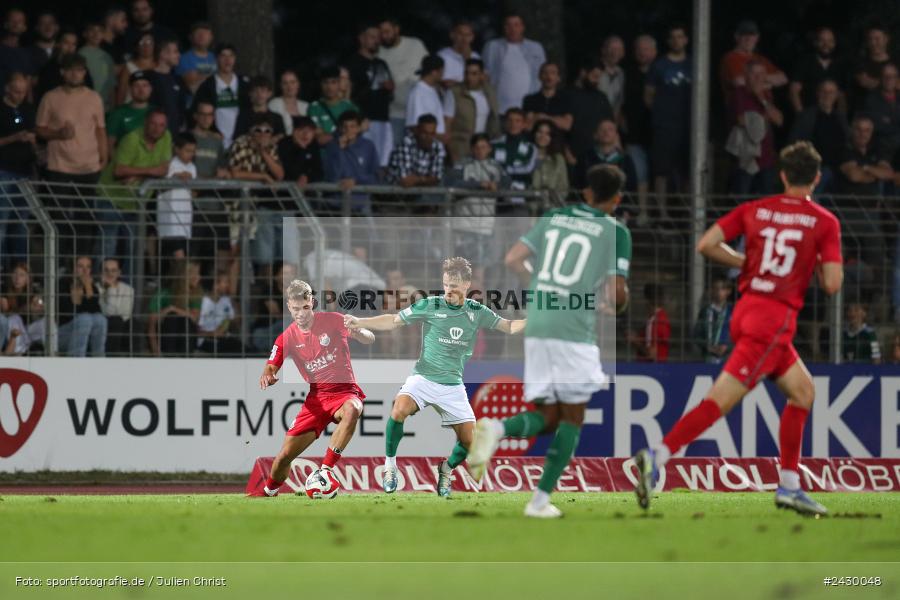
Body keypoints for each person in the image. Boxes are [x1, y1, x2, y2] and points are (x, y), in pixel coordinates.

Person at [633, 141, 843, 516]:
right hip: (773, 321)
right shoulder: (825, 222)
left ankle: (790, 486)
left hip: (746, 310)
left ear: (781, 175)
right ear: (816, 178)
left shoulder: (755, 209)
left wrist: (749, 263)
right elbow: (831, 283)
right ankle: (656, 456)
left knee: (803, 392)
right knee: (721, 400)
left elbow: (707, 244)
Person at [467, 164, 632, 517]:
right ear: (616, 199)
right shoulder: (615, 231)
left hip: (538, 321)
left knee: (550, 415)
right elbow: (617, 293)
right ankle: (539, 502)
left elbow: (513, 259)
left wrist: (541, 288)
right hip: (573, 329)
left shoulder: (554, 217)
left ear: (586, 191)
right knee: (572, 416)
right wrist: (611, 304)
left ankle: (497, 429)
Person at [344, 257, 526, 497]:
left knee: (471, 443)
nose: (449, 289)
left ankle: (446, 468)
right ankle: (389, 467)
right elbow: (394, 321)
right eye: (447, 284)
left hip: (453, 386)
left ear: (467, 284)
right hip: (424, 378)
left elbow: (510, 326)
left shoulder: (476, 311)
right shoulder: (429, 305)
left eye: (455, 285)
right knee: (399, 409)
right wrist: (361, 320)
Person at [258, 279, 375, 497]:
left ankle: (326, 470)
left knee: (354, 409)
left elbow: (370, 338)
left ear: (312, 302)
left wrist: (358, 332)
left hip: (344, 392)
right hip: (317, 401)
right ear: (288, 307)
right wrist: (269, 375)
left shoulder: (333, 320)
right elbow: (271, 366)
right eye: (295, 309)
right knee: (284, 457)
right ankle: (268, 492)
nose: (301, 313)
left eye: (305, 307)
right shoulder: (287, 338)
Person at [99, 109, 171, 276]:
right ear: (145, 123)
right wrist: (151, 171)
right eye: (153, 123)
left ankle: (129, 292)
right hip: (111, 198)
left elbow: (163, 170)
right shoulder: (131, 139)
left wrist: (138, 175)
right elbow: (118, 171)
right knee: (108, 246)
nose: (157, 129)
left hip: (135, 203)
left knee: (133, 248)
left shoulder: (166, 137)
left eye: (161, 125)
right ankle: (100, 290)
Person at [443, 133, 510, 280]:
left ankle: (477, 298)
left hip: (486, 224)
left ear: (489, 148)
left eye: (484, 147)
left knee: (481, 266)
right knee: (461, 266)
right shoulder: (462, 164)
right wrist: (479, 185)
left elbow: (506, 184)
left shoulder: (496, 167)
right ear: (472, 149)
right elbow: (452, 183)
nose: (480, 151)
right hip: (464, 223)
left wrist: (496, 186)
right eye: (477, 147)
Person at [36, 53, 107, 185]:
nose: (75, 74)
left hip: (89, 167)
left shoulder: (94, 98)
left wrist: (104, 157)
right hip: (59, 168)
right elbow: (39, 129)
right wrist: (58, 134)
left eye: (79, 70)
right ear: (62, 71)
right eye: (70, 70)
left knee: (85, 206)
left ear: (84, 72)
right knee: (57, 206)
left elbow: (100, 130)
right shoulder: (50, 97)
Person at [647, 24, 692, 221]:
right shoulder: (659, 65)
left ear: (686, 40)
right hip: (665, 126)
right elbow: (648, 95)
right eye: (673, 37)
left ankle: (688, 212)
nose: (677, 40)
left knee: (688, 170)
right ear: (668, 41)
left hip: (690, 126)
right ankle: (662, 213)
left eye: (680, 36)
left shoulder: (693, 64)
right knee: (661, 170)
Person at [727, 60, 783, 196]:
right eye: (754, 73)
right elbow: (741, 120)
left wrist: (761, 98)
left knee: (766, 199)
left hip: (766, 156)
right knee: (741, 198)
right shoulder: (738, 94)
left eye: (762, 74)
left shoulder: (767, 95)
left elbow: (779, 120)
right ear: (746, 75)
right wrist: (763, 118)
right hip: (746, 157)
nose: (758, 77)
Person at [0, 73, 37, 271]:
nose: (20, 95)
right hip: (3, 172)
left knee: (21, 224)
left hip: (25, 173)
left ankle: (21, 274)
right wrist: (14, 138)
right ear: (7, 88)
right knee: (2, 224)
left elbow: (33, 137)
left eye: (23, 92)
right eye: (16, 91)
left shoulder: (27, 109)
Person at [788, 79, 848, 193]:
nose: (827, 95)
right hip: (814, 170)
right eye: (824, 91)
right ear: (818, 93)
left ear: (836, 95)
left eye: (831, 92)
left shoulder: (841, 118)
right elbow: (794, 143)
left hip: (838, 170)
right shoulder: (806, 116)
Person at [347, 24, 394, 167]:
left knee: (383, 162)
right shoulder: (353, 62)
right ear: (362, 39)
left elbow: (390, 88)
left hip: (383, 119)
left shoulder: (381, 63)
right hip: (364, 119)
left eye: (378, 38)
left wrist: (390, 87)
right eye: (372, 37)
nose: (377, 41)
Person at [377, 17, 428, 145]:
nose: (384, 36)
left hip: (419, 113)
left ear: (396, 29)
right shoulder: (378, 53)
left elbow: (429, 70)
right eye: (381, 33)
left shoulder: (415, 45)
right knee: (396, 149)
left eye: (387, 31)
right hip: (395, 113)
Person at [623, 35, 656, 224]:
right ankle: (642, 213)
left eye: (646, 49)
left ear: (654, 51)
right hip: (634, 134)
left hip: (659, 133)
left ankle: (660, 215)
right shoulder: (628, 74)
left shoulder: (660, 72)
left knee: (660, 174)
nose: (642, 53)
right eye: (639, 49)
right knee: (640, 174)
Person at [482, 13, 546, 114]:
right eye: (508, 25)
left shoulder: (536, 48)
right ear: (504, 27)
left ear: (522, 27)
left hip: (528, 110)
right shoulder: (492, 47)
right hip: (499, 108)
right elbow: (485, 75)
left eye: (516, 25)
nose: (512, 29)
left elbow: (543, 76)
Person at [192, 43, 250, 148]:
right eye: (223, 56)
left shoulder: (245, 84)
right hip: (215, 139)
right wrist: (212, 131)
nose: (227, 60)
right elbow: (197, 112)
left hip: (241, 140)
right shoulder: (208, 85)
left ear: (235, 59)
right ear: (217, 59)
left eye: (231, 56)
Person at [719, 19, 787, 106]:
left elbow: (783, 78)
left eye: (752, 35)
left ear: (757, 38)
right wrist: (769, 84)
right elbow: (739, 82)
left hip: (765, 110)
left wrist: (756, 81)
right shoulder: (730, 58)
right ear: (736, 37)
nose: (748, 39)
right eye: (744, 35)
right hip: (743, 110)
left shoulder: (761, 59)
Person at [324, 110, 379, 213]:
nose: (348, 130)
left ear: (358, 128)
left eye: (352, 126)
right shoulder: (332, 146)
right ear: (340, 128)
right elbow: (332, 176)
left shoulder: (368, 146)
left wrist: (355, 181)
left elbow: (375, 176)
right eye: (345, 127)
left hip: (360, 205)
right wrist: (340, 150)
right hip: (335, 204)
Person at [445, 58, 500, 162]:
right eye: (467, 73)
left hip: (482, 148)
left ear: (482, 75)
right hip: (461, 146)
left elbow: (493, 119)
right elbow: (447, 123)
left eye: (474, 73)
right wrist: (451, 151)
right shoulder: (454, 93)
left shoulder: (489, 92)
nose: (469, 77)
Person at [147, 259, 203, 356]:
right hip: (165, 338)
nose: (198, 277)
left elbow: (194, 318)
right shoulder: (163, 293)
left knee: (185, 321)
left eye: (198, 273)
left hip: (187, 339)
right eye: (194, 274)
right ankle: (170, 356)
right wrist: (156, 352)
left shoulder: (196, 293)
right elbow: (151, 326)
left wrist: (173, 308)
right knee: (172, 317)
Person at [157, 133, 197, 263]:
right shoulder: (169, 165)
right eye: (187, 151)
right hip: (170, 219)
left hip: (185, 218)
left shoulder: (192, 167)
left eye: (193, 151)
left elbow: (193, 192)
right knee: (178, 255)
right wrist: (176, 178)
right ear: (177, 149)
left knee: (181, 253)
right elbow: (160, 187)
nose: (190, 154)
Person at [58, 255, 108, 357]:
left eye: (88, 267)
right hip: (60, 335)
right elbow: (69, 313)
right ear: (73, 268)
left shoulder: (92, 287)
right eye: (80, 266)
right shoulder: (62, 284)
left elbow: (95, 312)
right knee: (85, 319)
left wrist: (88, 288)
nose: (85, 271)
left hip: (83, 335)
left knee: (101, 319)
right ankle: (77, 360)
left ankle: (99, 358)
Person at [789, 27, 847, 113]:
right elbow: (794, 90)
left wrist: (841, 117)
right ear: (815, 42)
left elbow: (841, 95)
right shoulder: (805, 62)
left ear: (834, 43)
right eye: (822, 40)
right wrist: (800, 114)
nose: (826, 44)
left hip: (831, 115)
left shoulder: (839, 65)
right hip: (809, 112)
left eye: (830, 41)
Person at [491, 108, 537, 213]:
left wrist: (504, 169)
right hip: (496, 197)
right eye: (510, 120)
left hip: (519, 196)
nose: (513, 124)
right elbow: (490, 167)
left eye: (517, 121)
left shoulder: (530, 147)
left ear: (524, 124)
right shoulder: (493, 145)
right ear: (505, 123)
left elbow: (528, 169)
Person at [569, 60, 615, 160]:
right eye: (594, 76)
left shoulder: (601, 97)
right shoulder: (566, 95)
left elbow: (611, 128)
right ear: (583, 73)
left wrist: (617, 154)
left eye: (599, 78)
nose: (597, 81)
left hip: (598, 156)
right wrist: (568, 155)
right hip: (573, 156)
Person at [387, 113, 446, 188]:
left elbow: (436, 178)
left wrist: (418, 179)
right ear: (417, 131)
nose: (428, 137)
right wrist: (426, 179)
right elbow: (406, 181)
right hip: (394, 193)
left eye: (432, 134)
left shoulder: (438, 147)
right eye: (424, 133)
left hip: (422, 192)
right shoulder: (406, 143)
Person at [308, 66, 360, 146]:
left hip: (347, 156)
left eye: (333, 82)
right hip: (325, 156)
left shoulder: (350, 106)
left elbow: (363, 128)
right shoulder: (314, 107)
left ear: (339, 84)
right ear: (320, 84)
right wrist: (345, 134)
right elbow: (320, 139)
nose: (329, 87)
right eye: (325, 82)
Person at [196, 269, 242, 355]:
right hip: (207, 340)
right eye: (225, 282)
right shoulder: (204, 302)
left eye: (228, 282)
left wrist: (233, 300)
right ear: (215, 284)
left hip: (223, 338)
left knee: (242, 347)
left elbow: (236, 321)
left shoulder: (226, 300)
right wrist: (212, 334)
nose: (228, 285)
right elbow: (196, 329)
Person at [147, 38, 187, 135]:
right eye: (175, 52)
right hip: (153, 134)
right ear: (163, 54)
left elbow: (181, 108)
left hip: (174, 135)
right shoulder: (148, 78)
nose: (179, 55)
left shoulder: (178, 80)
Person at [406, 55, 449, 143]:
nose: (443, 74)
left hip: (434, 144)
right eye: (442, 71)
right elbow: (415, 125)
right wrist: (438, 137)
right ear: (434, 72)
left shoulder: (432, 90)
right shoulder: (418, 92)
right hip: (421, 146)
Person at [106, 70, 153, 150]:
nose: (141, 90)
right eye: (136, 86)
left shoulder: (157, 112)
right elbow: (109, 145)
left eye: (145, 85)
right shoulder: (118, 114)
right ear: (130, 89)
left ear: (151, 88)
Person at [523, 62, 574, 133]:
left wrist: (544, 117)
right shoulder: (529, 99)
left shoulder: (566, 100)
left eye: (553, 73)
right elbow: (528, 127)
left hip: (558, 142)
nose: (549, 76)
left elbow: (567, 125)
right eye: (545, 73)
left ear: (558, 78)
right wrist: (558, 119)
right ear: (540, 76)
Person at [692, 277, 734, 364]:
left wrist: (728, 346)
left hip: (728, 359)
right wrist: (707, 346)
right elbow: (696, 335)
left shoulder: (733, 311)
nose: (718, 292)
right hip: (708, 358)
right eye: (716, 288)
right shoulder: (705, 311)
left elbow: (740, 336)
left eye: (722, 289)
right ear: (711, 290)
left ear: (728, 291)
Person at [862, 63, 900, 157]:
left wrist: (890, 121)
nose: (889, 79)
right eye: (886, 76)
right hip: (882, 147)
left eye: (892, 76)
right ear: (880, 78)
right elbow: (878, 127)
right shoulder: (871, 99)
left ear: (897, 79)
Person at [99, 257, 134, 355]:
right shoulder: (96, 288)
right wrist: (110, 289)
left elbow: (126, 314)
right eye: (106, 270)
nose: (110, 274)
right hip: (104, 324)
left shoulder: (128, 289)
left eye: (113, 270)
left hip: (121, 324)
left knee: (135, 324)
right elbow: (105, 312)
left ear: (119, 273)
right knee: (115, 320)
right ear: (100, 273)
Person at [78, 22, 116, 110]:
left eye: (100, 31)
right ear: (85, 34)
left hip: (105, 108)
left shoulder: (107, 57)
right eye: (92, 30)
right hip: (85, 107)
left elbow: (111, 85)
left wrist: (113, 107)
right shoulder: (79, 55)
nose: (96, 34)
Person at [234, 75, 285, 140]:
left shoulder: (277, 118)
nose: (259, 94)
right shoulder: (243, 116)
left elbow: (282, 137)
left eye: (263, 91)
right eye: (255, 91)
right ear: (250, 93)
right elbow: (238, 138)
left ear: (269, 93)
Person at [630, 282, 671, 362]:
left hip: (651, 369)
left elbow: (651, 354)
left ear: (647, 300)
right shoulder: (663, 317)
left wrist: (635, 341)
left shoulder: (654, 322)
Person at [531, 119, 569, 201]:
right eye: (540, 132)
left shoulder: (558, 159)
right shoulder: (525, 154)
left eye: (547, 134)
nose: (542, 136)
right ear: (534, 134)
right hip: (526, 207)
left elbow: (563, 187)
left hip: (551, 208)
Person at [278, 116, 323, 185]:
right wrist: (301, 149)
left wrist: (307, 177)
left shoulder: (313, 145)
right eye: (302, 130)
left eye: (310, 130)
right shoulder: (284, 144)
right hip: (284, 190)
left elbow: (319, 172)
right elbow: (286, 172)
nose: (306, 134)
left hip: (308, 191)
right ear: (294, 131)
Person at [115, 32, 155, 106]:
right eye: (142, 42)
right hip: (132, 108)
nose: (146, 45)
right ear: (136, 47)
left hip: (155, 111)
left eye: (149, 42)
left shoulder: (160, 65)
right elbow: (121, 92)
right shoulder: (129, 67)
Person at [176, 22, 216, 95]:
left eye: (205, 33)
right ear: (190, 37)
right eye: (198, 33)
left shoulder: (216, 58)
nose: (202, 36)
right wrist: (213, 74)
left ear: (211, 37)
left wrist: (198, 74)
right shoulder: (183, 59)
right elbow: (192, 86)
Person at [438, 20, 480, 85]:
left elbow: (481, 80)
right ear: (452, 35)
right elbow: (441, 82)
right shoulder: (442, 56)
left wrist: (468, 59)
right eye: (460, 34)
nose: (464, 38)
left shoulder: (476, 57)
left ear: (472, 37)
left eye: (468, 35)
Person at [268, 69, 308, 135]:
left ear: (298, 84)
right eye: (285, 83)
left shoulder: (306, 106)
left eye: (293, 82)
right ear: (280, 86)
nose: (289, 86)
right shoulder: (274, 104)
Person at [597, 36, 626, 122]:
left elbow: (619, 102)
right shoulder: (595, 70)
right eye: (612, 49)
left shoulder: (621, 73)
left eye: (619, 49)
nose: (615, 53)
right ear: (603, 50)